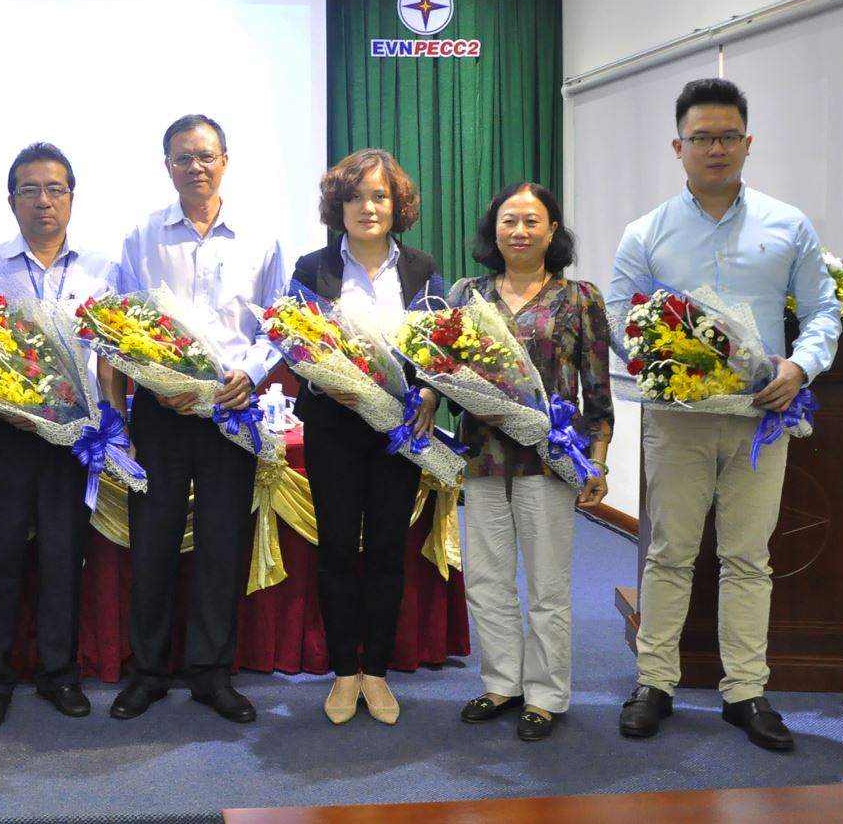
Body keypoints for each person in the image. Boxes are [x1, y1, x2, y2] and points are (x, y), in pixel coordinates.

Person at [612, 78, 841, 751]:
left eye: (728, 136)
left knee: (748, 557)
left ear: (748, 142)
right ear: (678, 146)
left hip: (761, 418)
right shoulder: (646, 232)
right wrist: (663, 363)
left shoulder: (787, 224)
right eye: (703, 137)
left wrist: (800, 366)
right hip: (678, 418)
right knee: (669, 552)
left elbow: (823, 311)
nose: (716, 148)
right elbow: (621, 319)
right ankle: (654, 682)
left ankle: (745, 691)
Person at [105, 114, 285, 724]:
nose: (195, 166)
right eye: (183, 157)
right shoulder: (142, 237)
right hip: (163, 413)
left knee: (221, 544)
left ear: (225, 161)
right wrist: (160, 382)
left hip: (232, 413)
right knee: (152, 543)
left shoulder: (260, 239)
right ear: (168, 167)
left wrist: (251, 373)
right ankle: (149, 673)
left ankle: (211, 674)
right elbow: (122, 324)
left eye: (205, 156)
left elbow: (278, 325)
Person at [446, 182, 612, 741]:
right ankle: (501, 684)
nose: (519, 231)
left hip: (551, 459)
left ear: (552, 230)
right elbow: (443, 372)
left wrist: (598, 462)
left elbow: (597, 392)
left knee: (547, 584)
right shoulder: (467, 295)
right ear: (493, 229)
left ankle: (545, 694)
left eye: (531, 221)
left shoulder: (580, 298)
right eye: (508, 220)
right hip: (482, 456)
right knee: (487, 580)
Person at [0, 142, 118, 729]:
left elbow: (109, 358)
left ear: (72, 198)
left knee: (62, 557)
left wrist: (116, 428)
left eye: (55, 189)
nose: (43, 200)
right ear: (11, 201)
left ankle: (60, 674)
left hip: (73, 437)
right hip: (4, 432)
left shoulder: (102, 269)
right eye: (29, 190)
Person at [290, 148, 442, 726]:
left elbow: (440, 346)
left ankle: (374, 671)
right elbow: (294, 343)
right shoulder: (313, 268)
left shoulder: (422, 268)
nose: (367, 207)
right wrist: (327, 378)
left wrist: (429, 392)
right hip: (334, 426)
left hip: (397, 431)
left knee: (385, 549)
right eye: (354, 197)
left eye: (380, 196)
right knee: (335, 550)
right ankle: (343, 672)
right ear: (338, 206)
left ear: (397, 204)